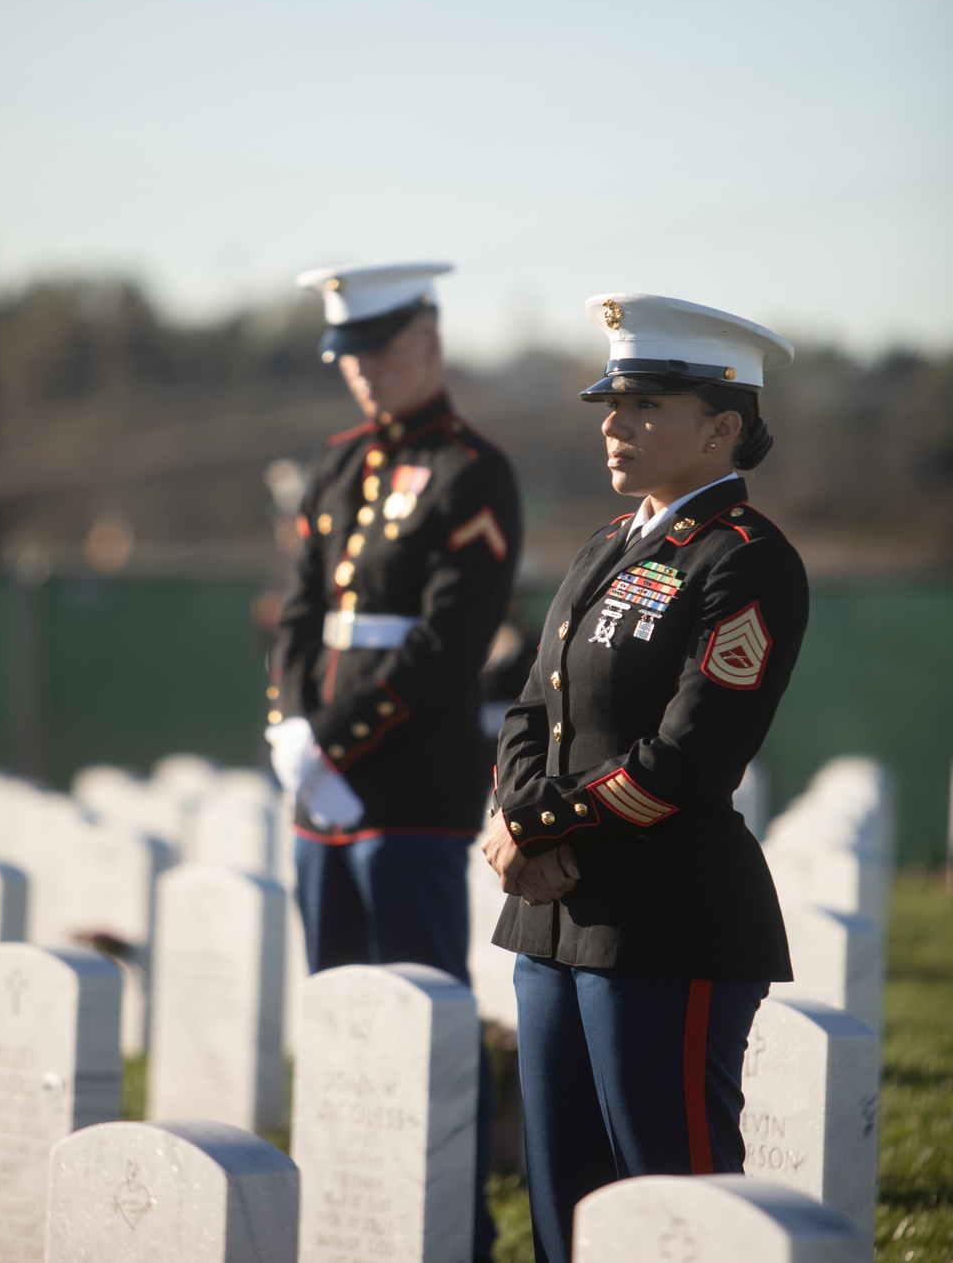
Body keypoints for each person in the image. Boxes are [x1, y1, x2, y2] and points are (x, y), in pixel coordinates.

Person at [482, 292, 809, 1263]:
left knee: (675, 1207)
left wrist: (536, 829)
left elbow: (687, 758)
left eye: (645, 409)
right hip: (551, 918)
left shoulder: (744, 561)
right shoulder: (604, 546)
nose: (615, 427)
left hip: (664, 919)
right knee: (565, 1209)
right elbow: (528, 709)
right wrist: (516, 816)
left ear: (721, 428)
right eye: (610, 408)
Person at [267, 260, 522, 1263]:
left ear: (429, 341)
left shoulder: (472, 470)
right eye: (348, 356)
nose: (363, 373)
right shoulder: (334, 469)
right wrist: (288, 727)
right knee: (337, 1024)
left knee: (421, 1026)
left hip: (408, 788)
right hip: (316, 796)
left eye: (379, 350)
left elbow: (447, 647)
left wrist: (330, 739)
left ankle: (448, 1226)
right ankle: (347, 1218)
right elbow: (296, 616)